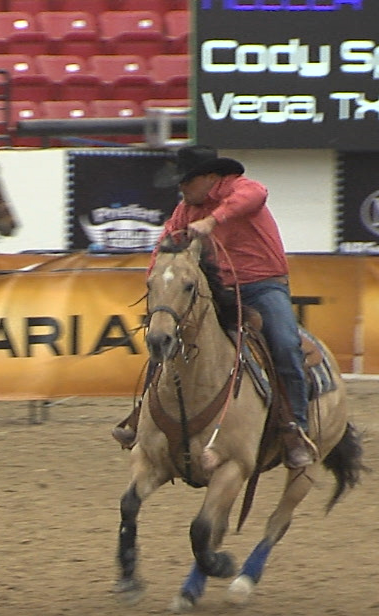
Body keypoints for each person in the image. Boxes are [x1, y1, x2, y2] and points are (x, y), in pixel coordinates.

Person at [112, 145, 319, 469]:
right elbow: (164, 246)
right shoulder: (185, 211)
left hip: (262, 286)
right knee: (166, 338)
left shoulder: (240, 189)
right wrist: (155, 279)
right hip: (217, 291)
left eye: (186, 181)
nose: (181, 188)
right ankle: (143, 415)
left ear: (210, 178)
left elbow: (256, 194)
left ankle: (295, 429)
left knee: (284, 345)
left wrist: (212, 220)